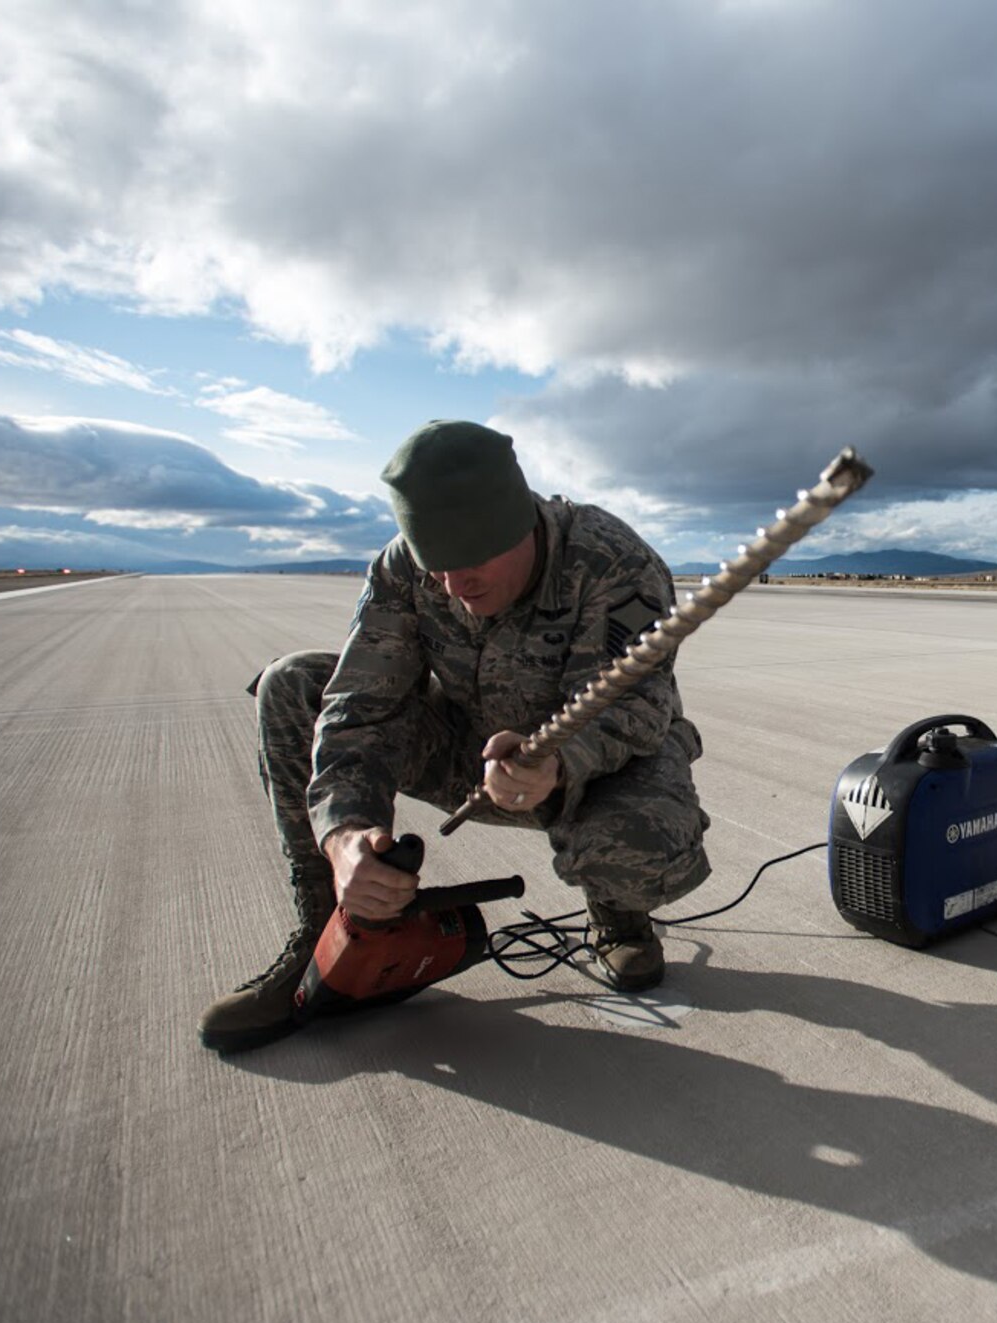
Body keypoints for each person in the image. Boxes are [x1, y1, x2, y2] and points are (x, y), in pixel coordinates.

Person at [199, 420, 710, 1053]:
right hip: (466, 750)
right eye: (434, 567)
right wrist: (344, 838)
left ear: (520, 526)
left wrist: (556, 764)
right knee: (292, 685)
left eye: (470, 562)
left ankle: (618, 910)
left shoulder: (612, 563)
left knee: (634, 850)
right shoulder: (403, 571)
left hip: (602, 764)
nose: (452, 587)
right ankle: (329, 933)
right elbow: (362, 705)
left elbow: (636, 703)